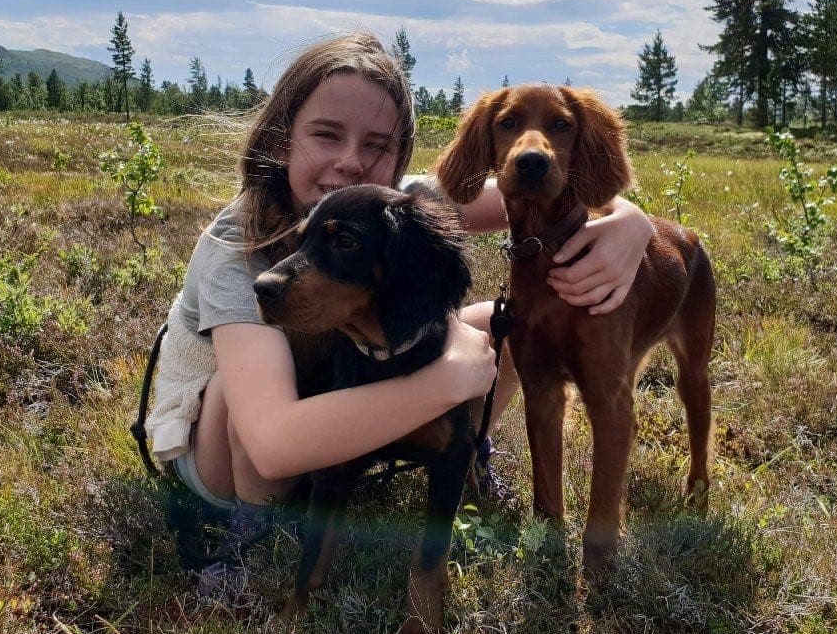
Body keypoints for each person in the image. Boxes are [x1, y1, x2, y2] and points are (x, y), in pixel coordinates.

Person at [143, 32, 654, 598]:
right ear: (281, 138)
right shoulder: (235, 246)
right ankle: (254, 534)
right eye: (326, 134)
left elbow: (531, 191)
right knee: (267, 458)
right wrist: (446, 382)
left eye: (377, 145)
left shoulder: (395, 204)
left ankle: (438, 446)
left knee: (507, 330)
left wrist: (633, 225)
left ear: (401, 154)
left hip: (332, 392)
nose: (350, 163)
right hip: (226, 454)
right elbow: (271, 442)